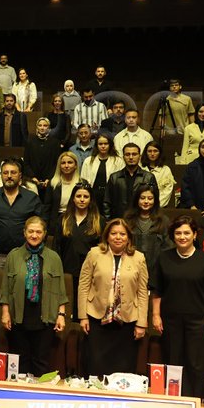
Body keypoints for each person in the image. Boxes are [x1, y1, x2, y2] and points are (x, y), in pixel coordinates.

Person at [152, 215, 204, 399]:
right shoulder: (164, 258)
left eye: (186, 233)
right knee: (173, 361)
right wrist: (156, 315)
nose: (182, 237)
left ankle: (196, 400)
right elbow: (157, 289)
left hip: (198, 321)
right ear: (172, 235)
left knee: (196, 364)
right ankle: (172, 400)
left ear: (194, 235)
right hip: (170, 320)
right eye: (178, 233)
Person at [78, 218, 148, 377]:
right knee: (95, 364)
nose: (118, 237)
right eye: (114, 233)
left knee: (122, 367)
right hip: (96, 317)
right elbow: (83, 285)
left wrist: (142, 323)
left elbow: (142, 292)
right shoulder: (94, 253)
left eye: (122, 234)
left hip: (127, 321)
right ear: (107, 236)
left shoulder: (139, 258)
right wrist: (83, 316)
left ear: (128, 237)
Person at [0, 216, 67, 377]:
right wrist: (5, 312)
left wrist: (61, 314)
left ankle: (37, 396)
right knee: (20, 362)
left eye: (38, 232)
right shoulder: (13, 256)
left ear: (44, 234)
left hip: (45, 317)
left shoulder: (54, 257)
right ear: (24, 233)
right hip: (19, 317)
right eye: (31, 231)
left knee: (41, 361)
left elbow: (60, 290)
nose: (34, 235)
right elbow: (5, 288)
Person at [0, 159, 47, 268]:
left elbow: (42, 227)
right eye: (5, 173)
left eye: (13, 172)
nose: (9, 176)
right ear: (1, 176)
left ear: (20, 176)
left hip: (25, 255)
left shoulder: (32, 198)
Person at [54, 183, 102, 320]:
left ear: (90, 199)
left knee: (86, 311)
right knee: (68, 308)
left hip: (90, 274)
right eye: (78, 196)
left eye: (86, 196)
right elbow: (57, 247)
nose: (82, 199)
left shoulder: (99, 221)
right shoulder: (63, 220)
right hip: (67, 271)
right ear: (73, 199)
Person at [124, 185, 171, 291]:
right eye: (142, 198)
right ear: (137, 199)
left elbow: (168, 248)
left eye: (150, 198)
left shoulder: (163, 221)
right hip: (131, 269)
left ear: (155, 200)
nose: (146, 201)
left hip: (156, 270)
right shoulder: (128, 219)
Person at [103, 143, 159, 219]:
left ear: (139, 156)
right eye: (127, 154)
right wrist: (108, 220)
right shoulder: (114, 177)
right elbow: (107, 201)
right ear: (123, 157)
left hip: (141, 220)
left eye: (134, 154)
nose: (131, 157)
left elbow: (155, 201)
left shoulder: (148, 177)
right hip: (119, 220)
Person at [81, 133, 124, 211]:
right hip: (93, 195)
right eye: (100, 144)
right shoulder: (88, 161)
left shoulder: (118, 161)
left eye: (106, 144)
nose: (103, 146)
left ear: (110, 145)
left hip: (111, 196)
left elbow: (120, 182)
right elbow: (83, 180)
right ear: (96, 145)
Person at [24, 117, 62, 205]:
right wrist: (33, 178)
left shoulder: (55, 142)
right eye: (40, 125)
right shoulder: (30, 142)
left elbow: (57, 163)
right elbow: (26, 163)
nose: (42, 127)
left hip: (50, 181)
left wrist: (49, 179)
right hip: (32, 182)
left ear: (49, 128)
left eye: (45, 125)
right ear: (36, 127)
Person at [47, 151, 81, 230]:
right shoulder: (52, 183)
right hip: (56, 221)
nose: (66, 165)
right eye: (63, 163)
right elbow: (47, 206)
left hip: (75, 220)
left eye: (70, 162)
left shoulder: (81, 183)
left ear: (75, 165)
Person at [141, 140, 176, 208]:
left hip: (159, 206)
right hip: (141, 206)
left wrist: (154, 205)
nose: (152, 153)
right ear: (146, 153)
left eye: (155, 151)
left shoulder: (166, 170)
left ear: (160, 153)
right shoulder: (140, 168)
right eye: (149, 151)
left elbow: (167, 192)